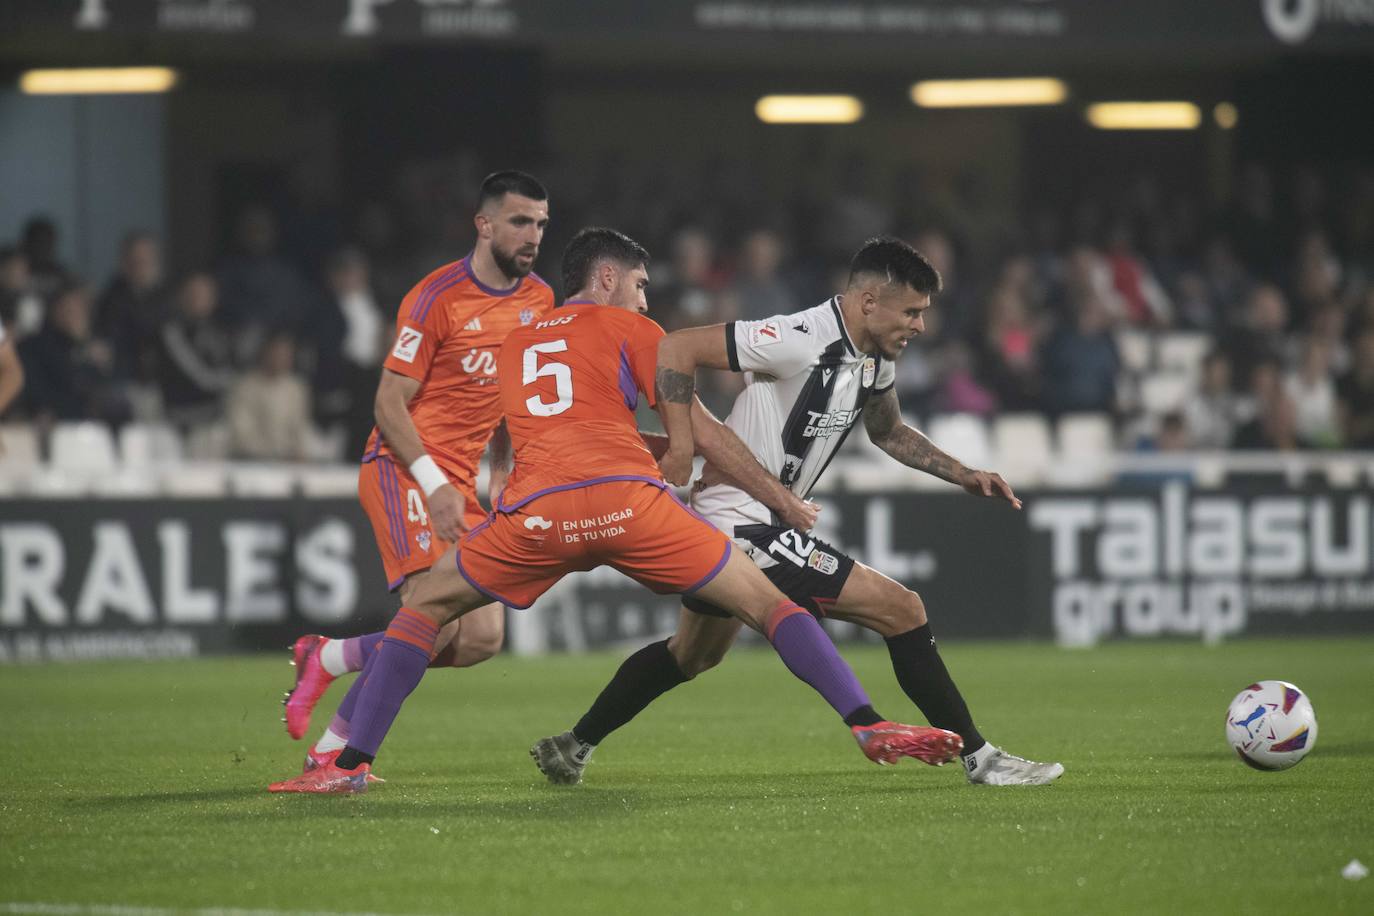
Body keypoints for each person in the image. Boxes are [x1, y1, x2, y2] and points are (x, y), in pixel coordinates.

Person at [268, 228, 960, 793]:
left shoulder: (517, 343)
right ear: (608, 279)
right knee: (768, 604)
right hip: (632, 504)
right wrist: (772, 496)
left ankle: (348, 763)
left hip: (537, 512)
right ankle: (864, 722)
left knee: (424, 611)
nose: (643, 295)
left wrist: (509, 480)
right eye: (639, 283)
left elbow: (560, 426)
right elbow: (704, 432)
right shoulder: (634, 330)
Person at [531, 237, 1063, 787]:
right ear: (867, 303)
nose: (920, 326)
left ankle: (574, 744)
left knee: (691, 656)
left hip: (753, 520)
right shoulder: (798, 338)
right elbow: (678, 350)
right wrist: (683, 446)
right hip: (739, 519)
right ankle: (981, 758)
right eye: (911, 311)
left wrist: (963, 473)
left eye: (923, 313)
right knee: (901, 608)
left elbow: (888, 431)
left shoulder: (874, 359)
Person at [279, 171, 558, 754]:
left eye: (540, 223)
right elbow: (387, 402)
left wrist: (504, 469)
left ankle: (328, 656)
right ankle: (331, 756)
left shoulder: (540, 301)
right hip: (406, 468)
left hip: (462, 480)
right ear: (483, 226)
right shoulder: (436, 298)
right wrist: (431, 485)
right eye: (519, 222)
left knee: (481, 638)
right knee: (435, 623)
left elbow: (513, 392)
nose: (533, 235)